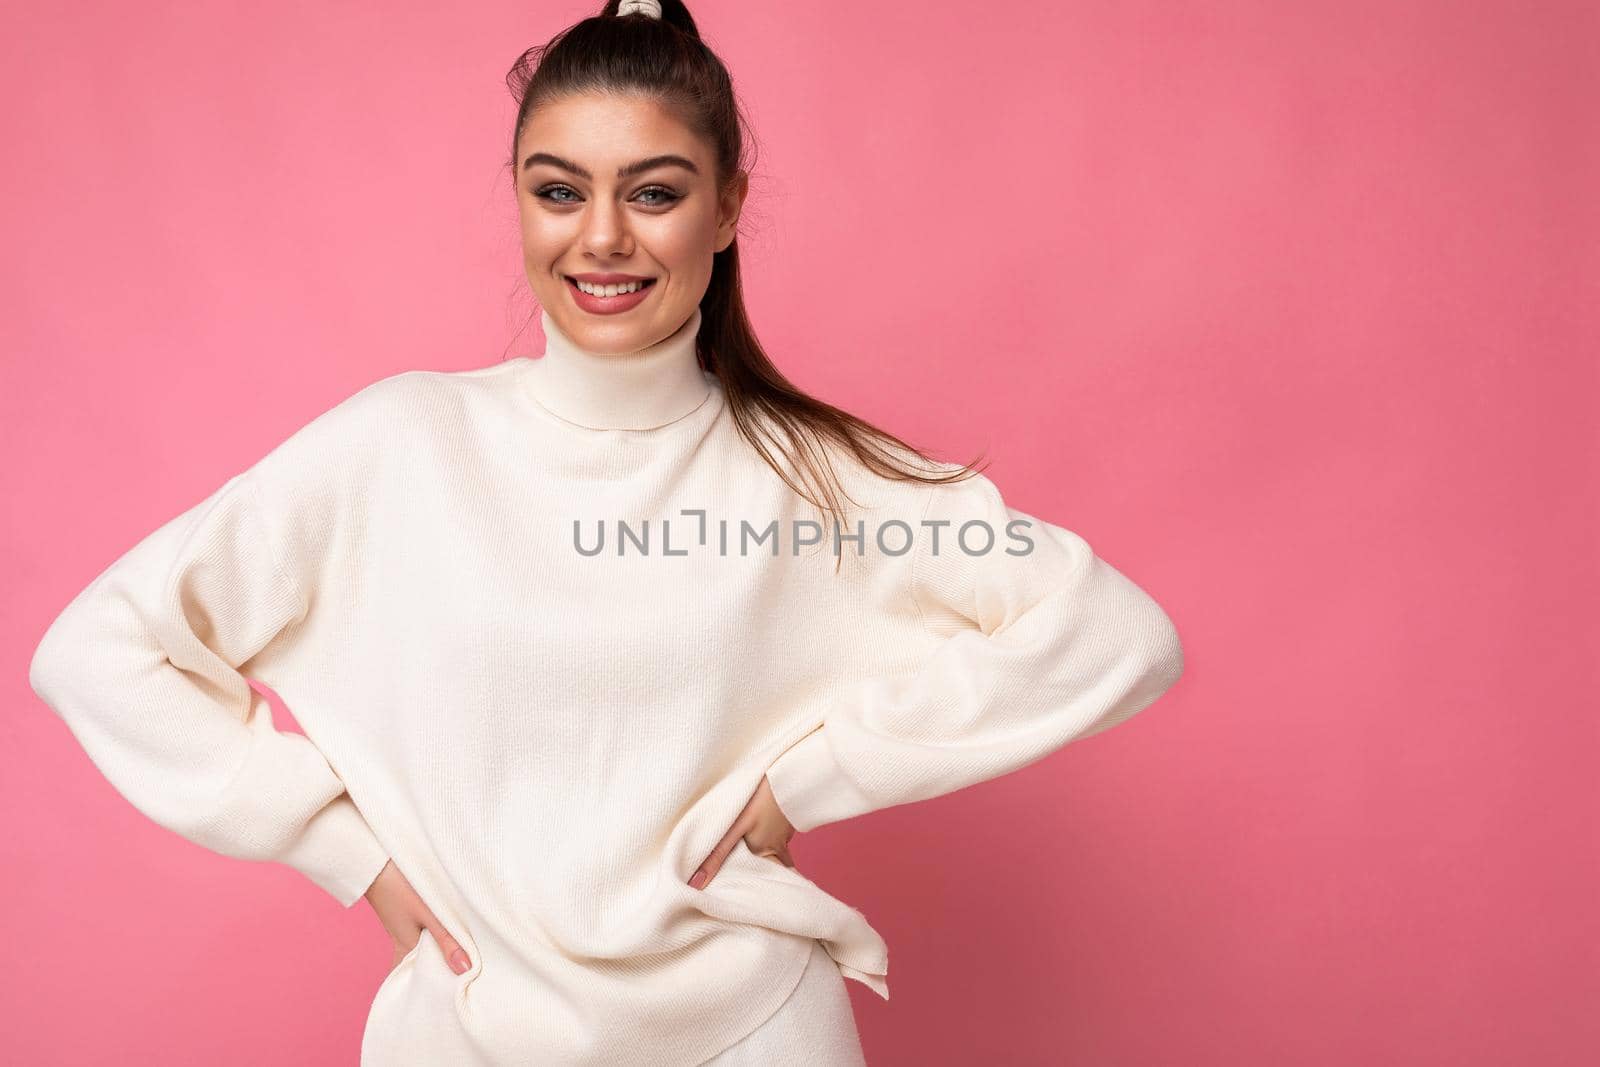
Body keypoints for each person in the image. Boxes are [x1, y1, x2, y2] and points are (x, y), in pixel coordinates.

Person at [26, 1, 1186, 1063]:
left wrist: (817, 778)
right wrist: (347, 853)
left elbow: (1112, 632)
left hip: (753, 1029)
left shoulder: (813, 478)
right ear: (520, 199)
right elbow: (100, 651)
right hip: (467, 1029)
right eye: (559, 189)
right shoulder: (400, 447)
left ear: (727, 205)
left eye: (655, 191)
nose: (602, 238)